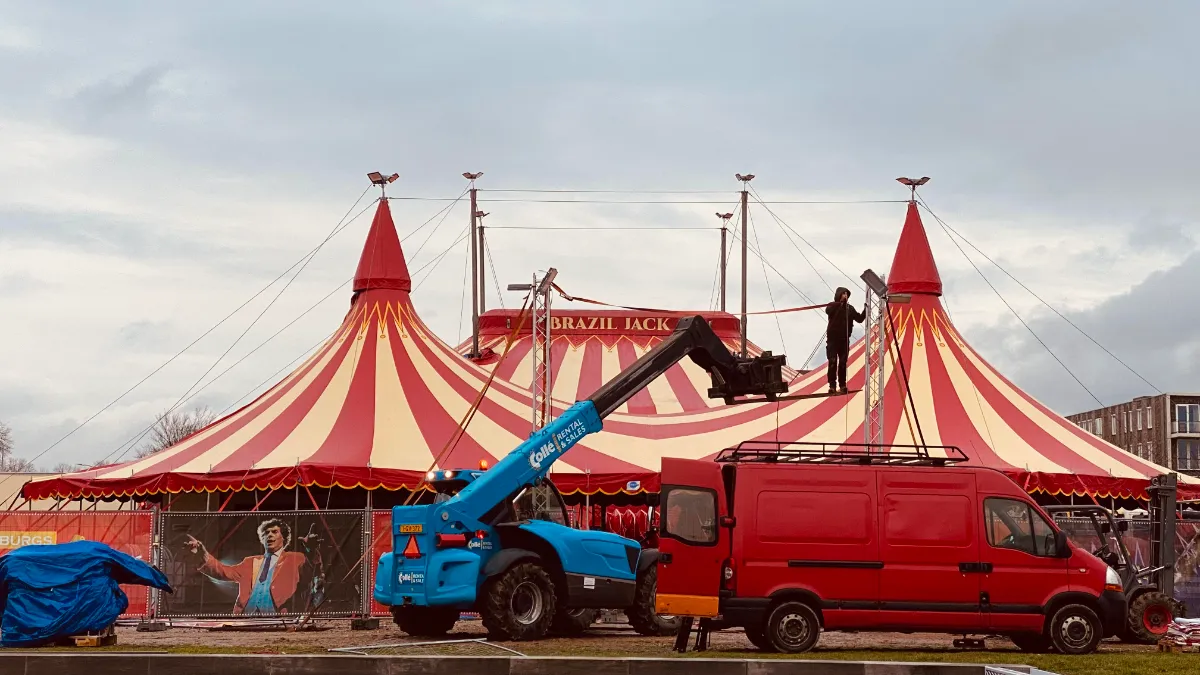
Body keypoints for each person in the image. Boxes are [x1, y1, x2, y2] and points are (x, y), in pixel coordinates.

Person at [184, 518, 316, 615]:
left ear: (284, 537)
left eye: (274, 532)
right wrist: (202, 554)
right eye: (266, 533)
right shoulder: (249, 562)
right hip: (246, 619)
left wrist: (312, 550)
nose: (269, 535)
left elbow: (312, 572)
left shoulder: (295, 558)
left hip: (280, 618)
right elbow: (223, 572)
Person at [825, 286, 865, 394]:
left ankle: (842, 385)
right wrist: (839, 304)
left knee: (843, 363)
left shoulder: (850, 309)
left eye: (846, 294)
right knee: (832, 361)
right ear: (838, 295)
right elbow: (828, 311)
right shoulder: (832, 305)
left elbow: (860, 319)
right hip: (832, 340)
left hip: (844, 340)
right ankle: (832, 385)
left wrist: (866, 310)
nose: (845, 296)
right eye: (843, 294)